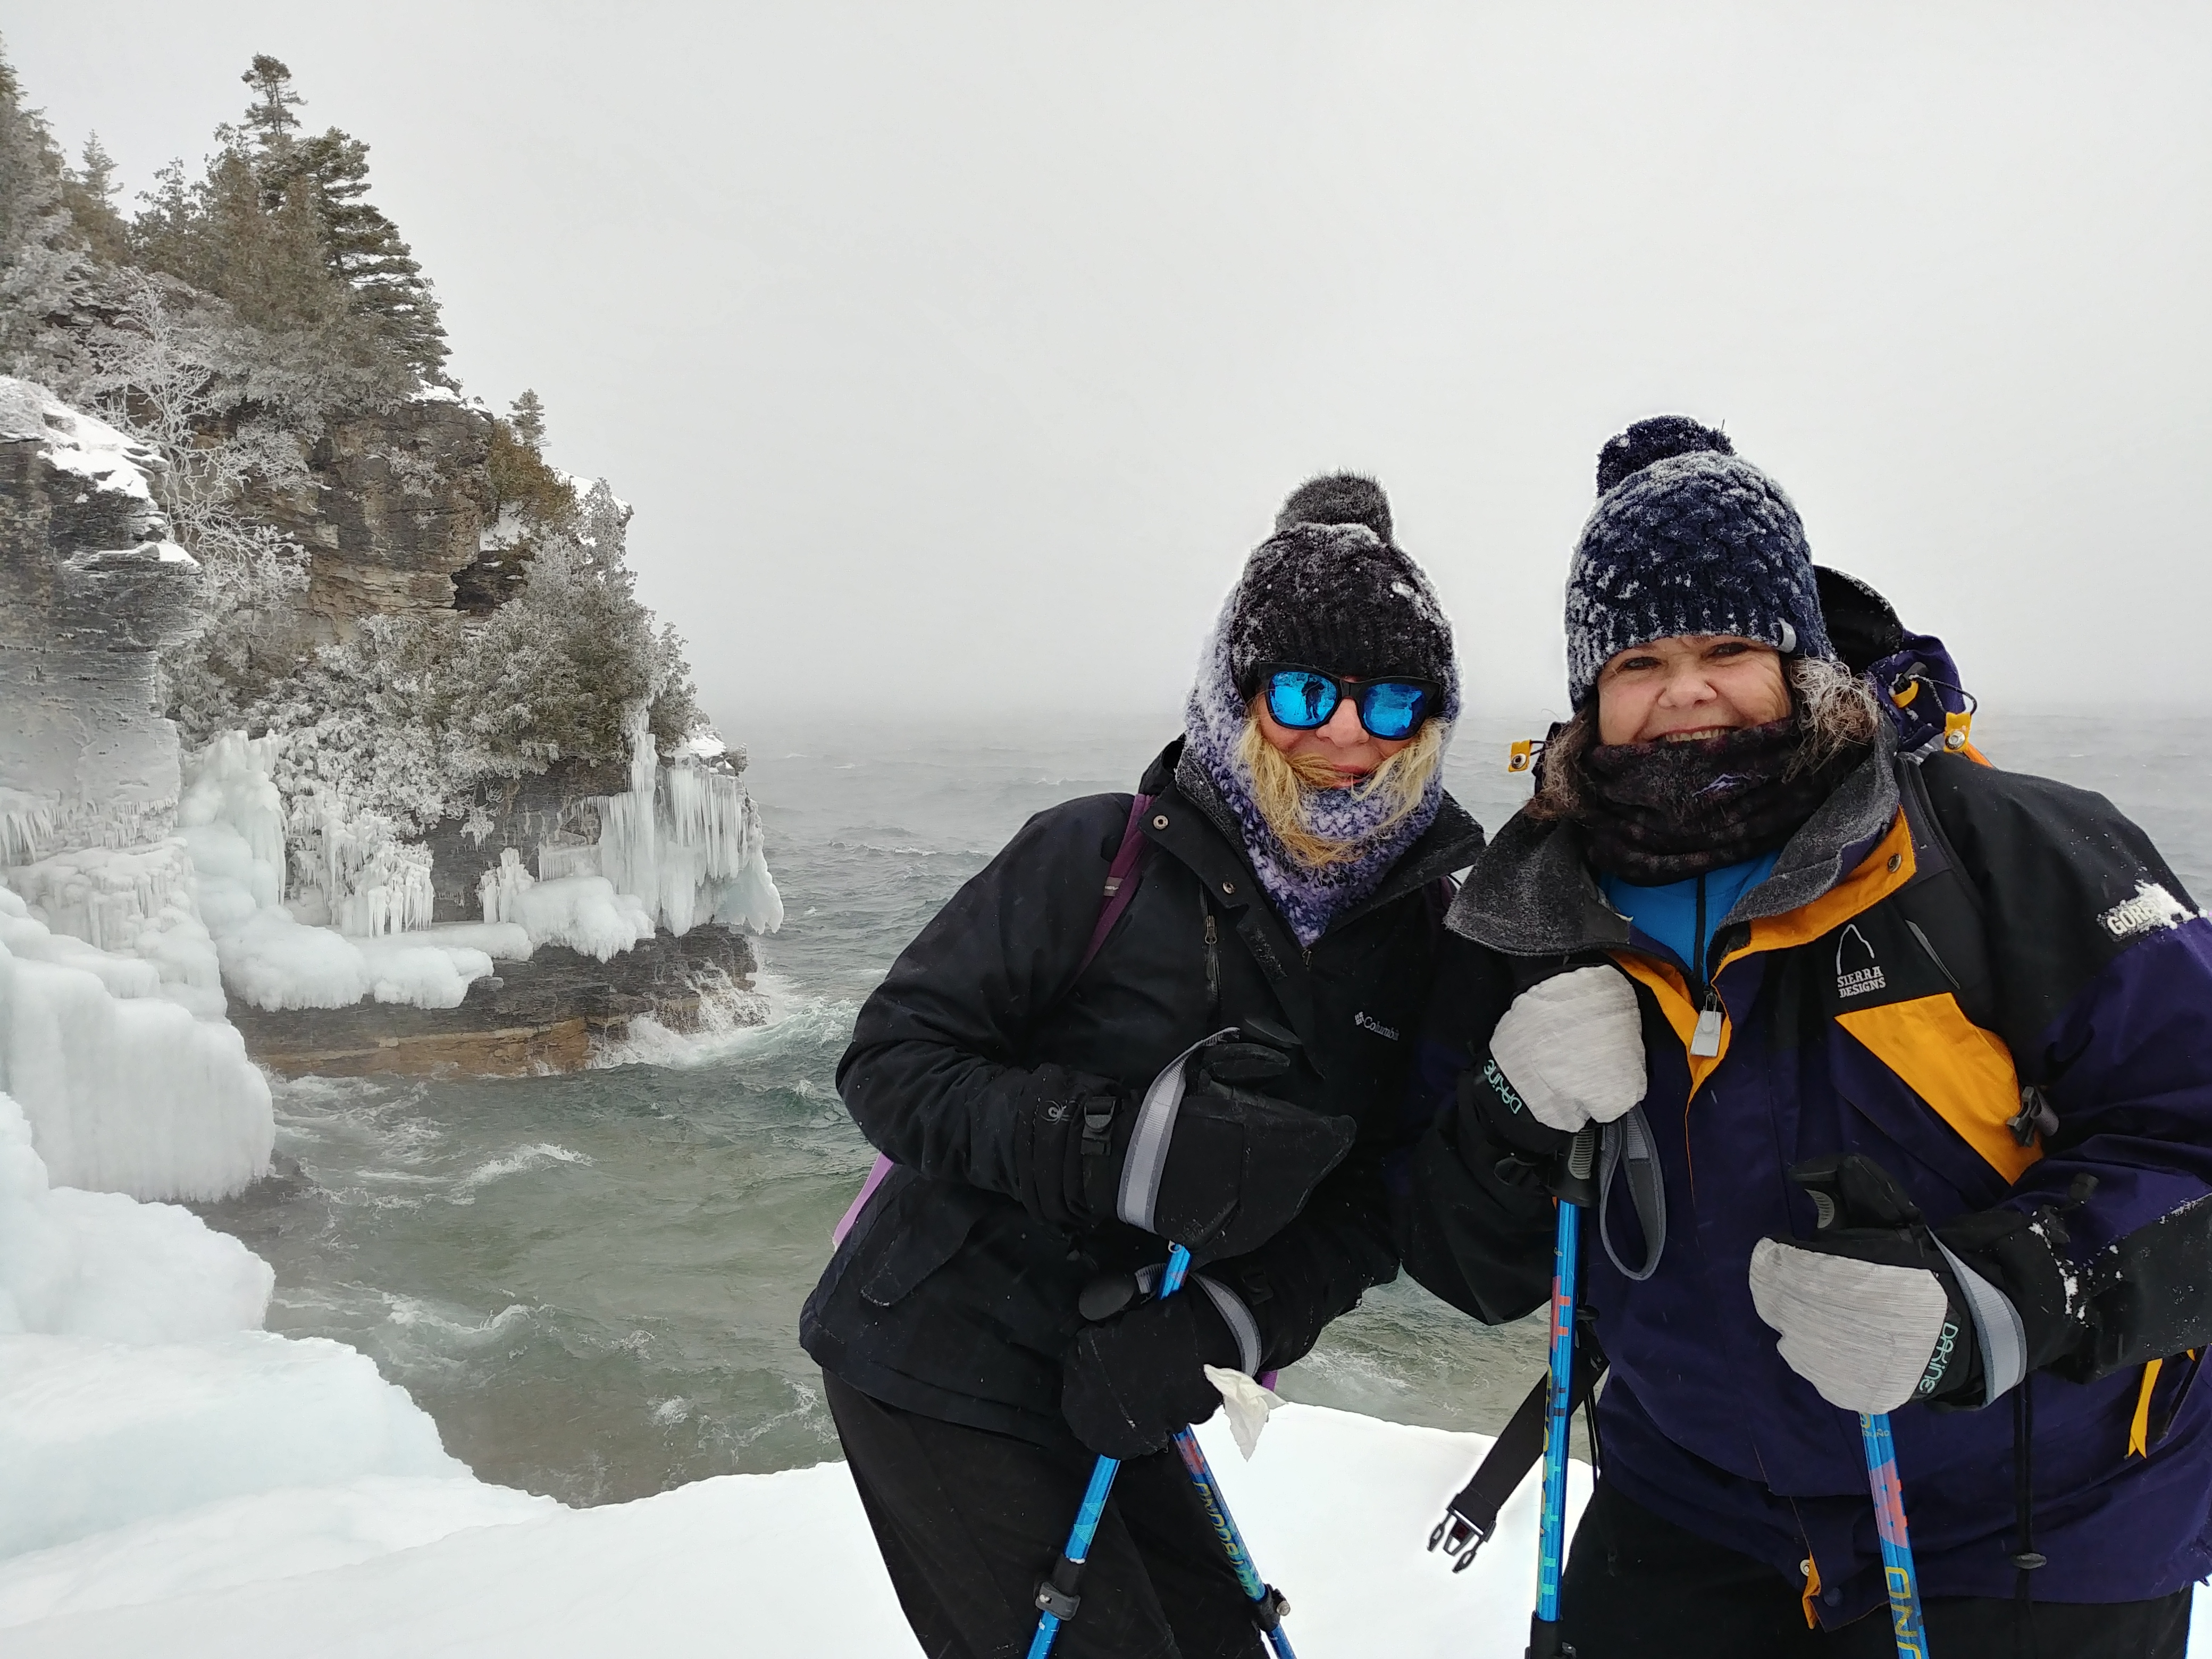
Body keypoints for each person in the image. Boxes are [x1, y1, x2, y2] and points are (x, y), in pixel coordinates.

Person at [1403, 416, 2212, 1657]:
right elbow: (1470, 1266)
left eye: (1727, 645)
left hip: (2034, 1523)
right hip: (1684, 1505)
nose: (1684, 690)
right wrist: (1506, 1119)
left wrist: (1993, 1301)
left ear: (1800, 660)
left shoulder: (2006, 854)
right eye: (1637, 660)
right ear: (1588, 697)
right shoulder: (1534, 913)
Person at [802, 474, 1484, 1659]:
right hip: (934, 1350)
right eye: (1306, 692)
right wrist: (1121, 1150)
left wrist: (1226, 1321)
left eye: (1389, 704)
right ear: (1238, 698)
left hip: (1132, 1370)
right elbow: (892, 1063)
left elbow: (1378, 1199)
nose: (1346, 738)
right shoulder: (1094, 856)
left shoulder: (1418, 942)